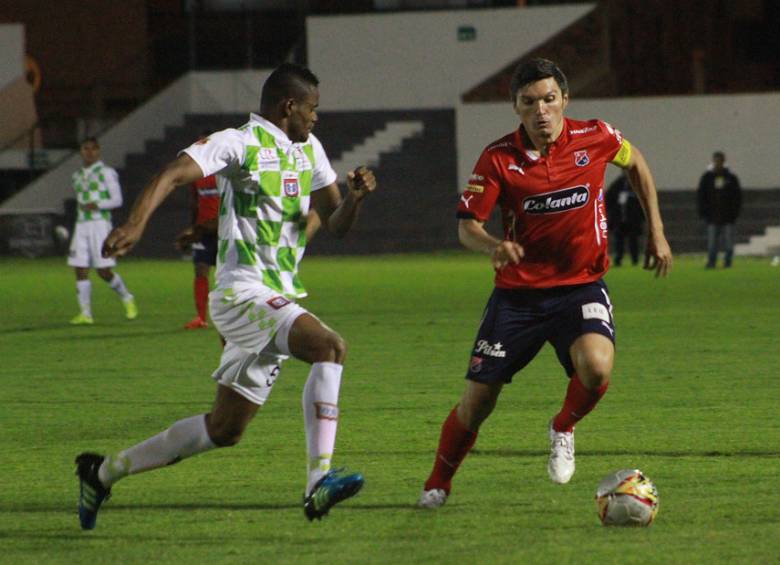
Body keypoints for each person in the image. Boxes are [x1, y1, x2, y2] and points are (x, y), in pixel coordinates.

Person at [74, 63, 377, 529]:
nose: (317, 118)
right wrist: (135, 224)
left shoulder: (309, 149)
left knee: (225, 429)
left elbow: (334, 224)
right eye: (312, 109)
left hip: (273, 298)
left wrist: (354, 199)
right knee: (330, 346)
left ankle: (103, 472)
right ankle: (318, 482)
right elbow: (174, 174)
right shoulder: (239, 142)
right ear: (288, 106)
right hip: (241, 294)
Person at [417, 58, 672, 509]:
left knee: (596, 367)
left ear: (565, 100)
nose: (541, 111)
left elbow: (637, 164)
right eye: (530, 102)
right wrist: (492, 244)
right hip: (518, 297)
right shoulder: (499, 158)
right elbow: (467, 226)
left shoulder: (597, 137)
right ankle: (437, 484)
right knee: (476, 405)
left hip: (581, 287)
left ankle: (563, 427)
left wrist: (656, 230)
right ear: (516, 107)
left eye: (549, 99)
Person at [67, 137, 138, 325]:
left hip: (100, 224)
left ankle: (126, 297)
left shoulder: (106, 172)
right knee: (80, 268)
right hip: (81, 225)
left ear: (98, 151)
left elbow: (117, 200)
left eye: (93, 149)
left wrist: (97, 204)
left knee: (103, 271)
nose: (89, 152)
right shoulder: (77, 176)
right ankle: (86, 313)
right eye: (85, 148)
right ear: (81, 151)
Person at [175, 136, 220, 330]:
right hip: (204, 230)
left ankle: (236, 316)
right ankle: (201, 318)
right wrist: (193, 228)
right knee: (200, 269)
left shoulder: (224, 173)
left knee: (229, 274)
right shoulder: (197, 177)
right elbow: (195, 204)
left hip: (225, 230)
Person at [697, 151, 741, 268]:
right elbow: (702, 196)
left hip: (728, 217)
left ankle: (727, 262)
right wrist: (703, 213)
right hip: (712, 217)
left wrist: (734, 213)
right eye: (716, 161)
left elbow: (737, 197)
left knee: (728, 244)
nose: (718, 163)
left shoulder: (730, 178)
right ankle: (712, 262)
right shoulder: (707, 178)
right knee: (712, 244)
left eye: (720, 161)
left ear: (723, 162)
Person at [606, 171, 645, 266]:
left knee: (633, 240)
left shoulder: (636, 184)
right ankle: (618, 259)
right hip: (619, 219)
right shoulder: (618, 184)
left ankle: (635, 259)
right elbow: (609, 199)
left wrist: (642, 217)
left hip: (633, 219)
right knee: (619, 240)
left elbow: (642, 202)